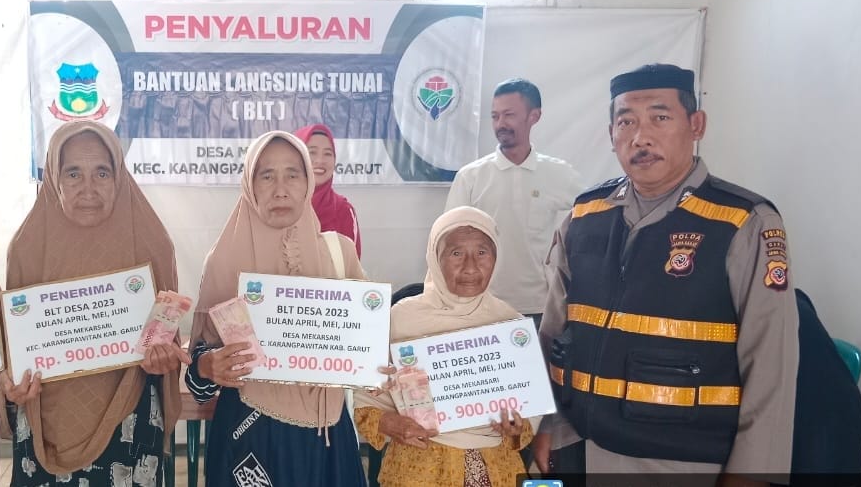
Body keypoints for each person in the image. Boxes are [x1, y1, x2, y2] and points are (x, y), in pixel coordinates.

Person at [533, 64, 798, 485]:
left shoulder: (742, 222)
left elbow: (771, 365)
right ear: (611, 134)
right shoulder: (585, 215)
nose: (641, 137)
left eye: (660, 117)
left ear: (696, 125)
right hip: (581, 448)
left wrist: (751, 475)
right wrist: (548, 422)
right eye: (626, 122)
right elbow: (554, 331)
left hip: (682, 462)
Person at [0, 120, 186, 486]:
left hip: (129, 416)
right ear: (53, 178)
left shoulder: (151, 242)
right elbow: (13, 347)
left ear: (119, 176)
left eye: (102, 172)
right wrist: (11, 381)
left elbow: (166, 335)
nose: (88, 188)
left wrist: (163, 358)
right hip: (45, 420)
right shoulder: (27, 247)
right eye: (73, 174)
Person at [187, 130, 368, 486]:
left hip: (326, 434)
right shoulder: (224, 261)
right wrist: (208, 365)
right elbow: (198, 380)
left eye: (293, 174)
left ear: (308, 182)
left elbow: (365, 347)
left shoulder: (339, 254)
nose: (281, 189)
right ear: (249, 184)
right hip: (250, 433)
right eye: (267, 175)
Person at [355, 206, 536, 487]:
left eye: (482, 252)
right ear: (434, 257)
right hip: (419, 468)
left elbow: (530, 411)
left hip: (495, 469)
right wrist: (389, 423)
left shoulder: (511, 326)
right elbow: (363, 398)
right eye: (456, 253)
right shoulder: (399, 320)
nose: (470, 267)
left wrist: (517, 426)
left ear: (496, 257)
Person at [445, 78, 583, 327]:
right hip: (482, 306)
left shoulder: (560, 174)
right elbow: (447, 242)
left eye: (509, 115)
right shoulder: (471, 177)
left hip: (542, 306)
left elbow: (589, 226)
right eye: (495, 116)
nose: (500, 124)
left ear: (534, 116)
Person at [293, 123, 362, 257]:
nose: (320, 160)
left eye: (328, 153)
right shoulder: (279, 206)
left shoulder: (343, 210)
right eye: (312, 152)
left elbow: (351, 264)